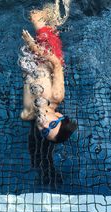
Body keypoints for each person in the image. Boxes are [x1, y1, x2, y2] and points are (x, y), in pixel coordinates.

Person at [19, 2, 77, 143]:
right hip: (48, 51)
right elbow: (56, 64)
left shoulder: (28, 113)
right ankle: (61, 9)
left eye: (45, 131)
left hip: (34, 58)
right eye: (52, 125)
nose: (44, 125)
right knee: (35, 15)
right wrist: (34, 48)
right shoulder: (56, 96)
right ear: (58, 115)